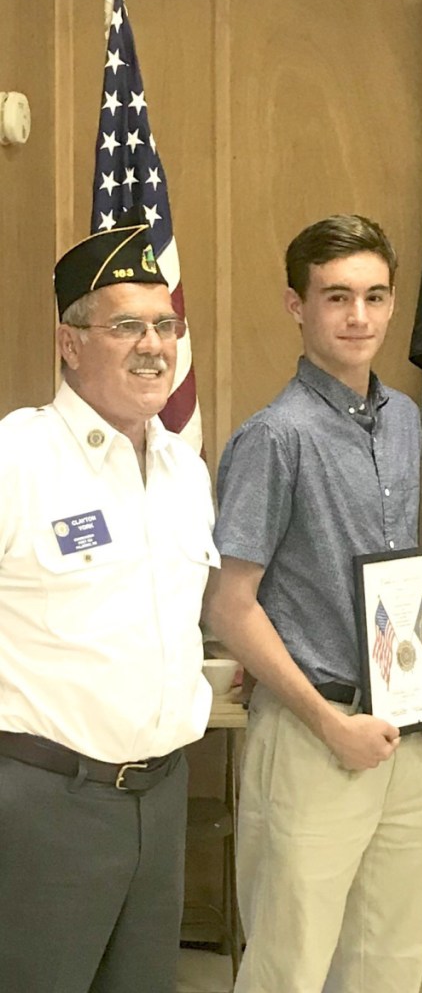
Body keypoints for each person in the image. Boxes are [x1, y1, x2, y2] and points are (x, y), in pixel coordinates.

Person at [204, 214, 422, 993]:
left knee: (387, 968)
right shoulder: (274, 437)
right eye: (336, 297)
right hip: (315, 733)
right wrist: (329, 721)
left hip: (406, 737)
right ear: (297, 306)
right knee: (289, 966)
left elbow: (398, 583)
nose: (358, 316)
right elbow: (230, 605)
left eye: (374, 296)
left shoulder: (400, 423)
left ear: (393, 305)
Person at [0, 218, 218, 993]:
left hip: (159, 801)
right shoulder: (19, 459)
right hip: (44, 803)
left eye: (165, 325)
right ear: (70, 343)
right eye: (126, 326)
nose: (153, 345)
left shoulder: (182, 467)